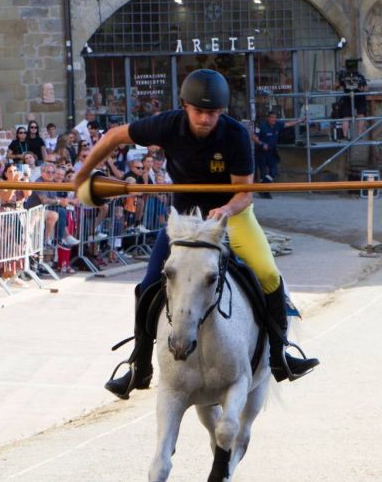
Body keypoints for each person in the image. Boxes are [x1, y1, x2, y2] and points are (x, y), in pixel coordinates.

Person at [74, 69, 319, 399]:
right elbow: (114, 136)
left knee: (267, 274)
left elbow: (244, 192)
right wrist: (82, 174)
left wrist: (226, 209)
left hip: (231, 215)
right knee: (148, 284)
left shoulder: (235, 135)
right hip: (184, 219)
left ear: (222, 111)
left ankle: (280, 355)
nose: (205, 119)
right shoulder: (166, 125)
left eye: (213, 113)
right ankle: (139, 365)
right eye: (199, 111)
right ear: (185, 106)